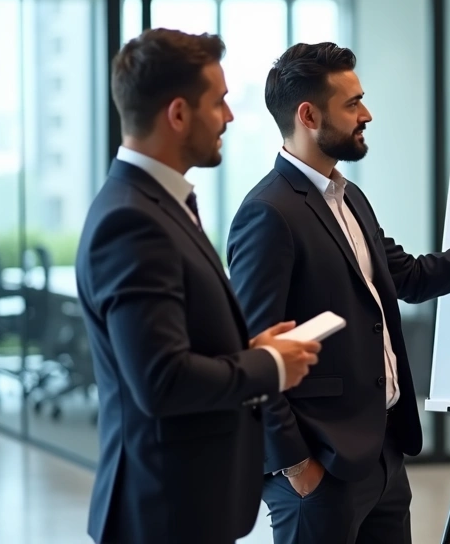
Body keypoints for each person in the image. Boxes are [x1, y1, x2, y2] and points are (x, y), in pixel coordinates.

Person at [225, 41, 450, 544]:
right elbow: (254, 353)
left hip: (381, 455)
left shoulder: (349, 197)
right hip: (320, 470)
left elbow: (411, 276)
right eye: (352, 103)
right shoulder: (268, 214)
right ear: (309, 114)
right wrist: (297, 466)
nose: (367, 114)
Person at [76, 28, 321, 544]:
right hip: (162, 512)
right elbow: (160, 381)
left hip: (182, 505)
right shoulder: (132, 221)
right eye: (220, 101)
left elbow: (169, 346)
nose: (230, 117)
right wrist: (270, 366)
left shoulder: (155, 205)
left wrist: (246, 348)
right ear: (179, 114)